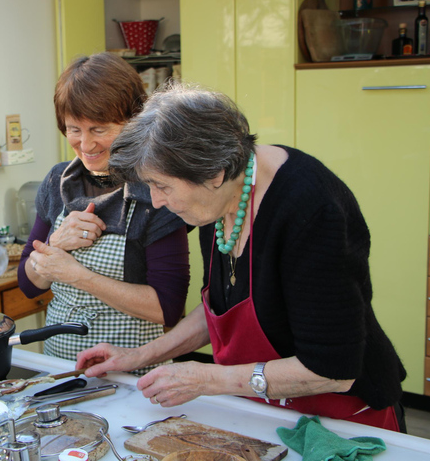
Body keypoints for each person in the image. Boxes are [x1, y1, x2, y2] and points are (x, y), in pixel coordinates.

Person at [76, 83, 407, 432]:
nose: (157, 201)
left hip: (343, 419)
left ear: (214, 174)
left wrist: (207, 379)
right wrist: (140, 355)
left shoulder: (309, 207)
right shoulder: (216, 198)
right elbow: (218, 307)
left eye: (163, 186)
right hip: (267, 411)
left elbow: (332, 369)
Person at [18, 53, 190, 376]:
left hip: (131, 377)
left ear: (132, 122)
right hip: (59, 371)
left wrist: (79, 276)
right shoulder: (58, 181)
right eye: (73, 129)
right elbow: (28, 285)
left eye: (99, 128)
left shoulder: (156, 187)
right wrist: (56, 243)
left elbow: (169, 307)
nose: (86, 144)